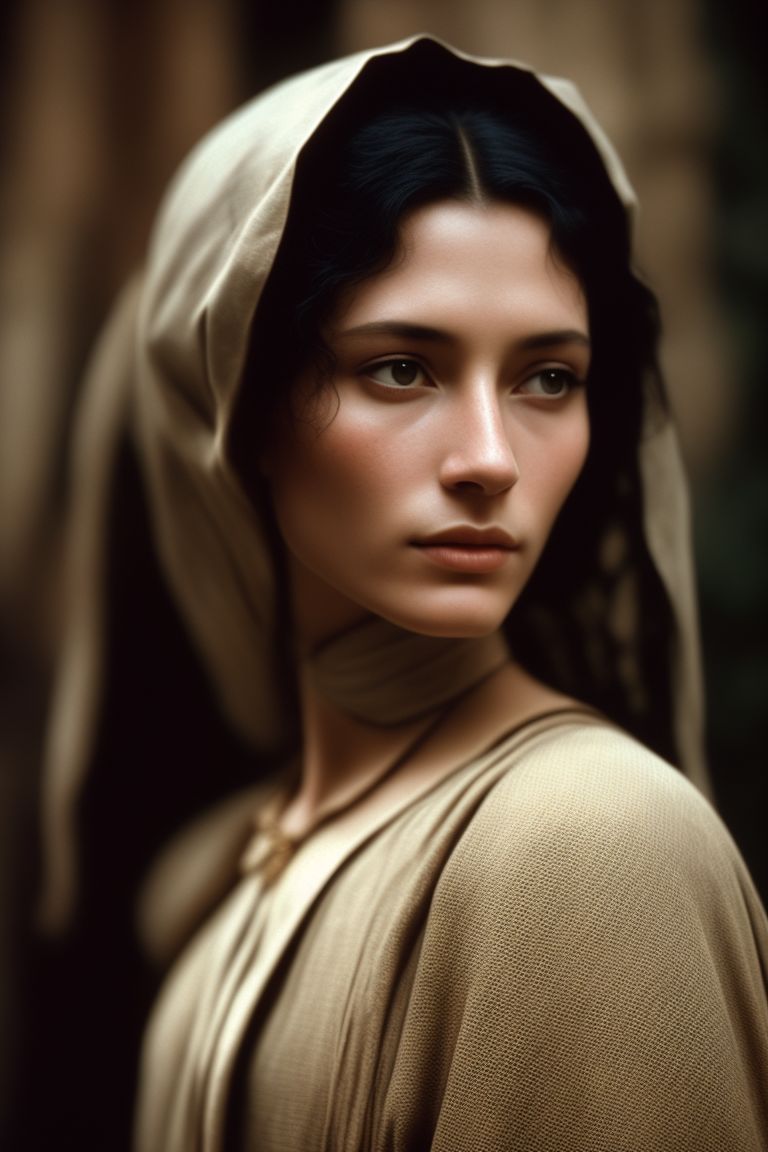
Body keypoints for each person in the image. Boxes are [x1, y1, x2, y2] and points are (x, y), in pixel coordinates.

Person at [39, 35, 768, 1151]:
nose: (489, 457)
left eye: (548, 378)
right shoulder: (239, 861)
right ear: (232, 401)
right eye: (402, 367)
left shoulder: (589, 848)